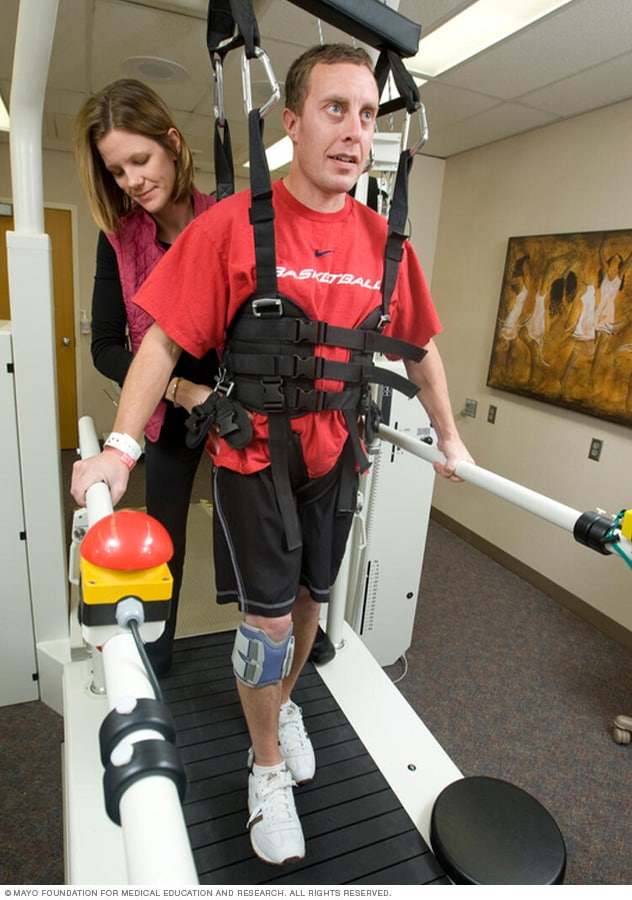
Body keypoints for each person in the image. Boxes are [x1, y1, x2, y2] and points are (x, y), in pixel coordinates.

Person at [71, 45, 473, 866]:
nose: (354, 132)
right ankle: (265, 768)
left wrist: (450, 437)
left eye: (367, 114)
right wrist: (118, 448)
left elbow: (421, 347)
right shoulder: (232, 226)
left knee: (312, 604)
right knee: (262, 625)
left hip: (339, 456)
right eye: (335, 109)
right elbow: (158, 345)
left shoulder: (384, 243)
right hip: (253, 460)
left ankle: (283, 706)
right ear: (291, 123)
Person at [73, 78, 219, 675]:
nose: (132, 180)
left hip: (236, 406)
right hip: (165, 415)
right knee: (165, 545)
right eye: (117, 170)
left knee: (253, 538)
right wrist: (179, 389)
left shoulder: (225, 221)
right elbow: (107, 347)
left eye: (140, 159)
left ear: (173, 144)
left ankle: (270, 661)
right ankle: (156, 660)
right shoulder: (120, 240)